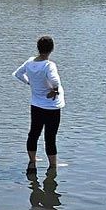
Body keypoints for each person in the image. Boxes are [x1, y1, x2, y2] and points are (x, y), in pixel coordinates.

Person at [13, 35, 64, 170]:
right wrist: (55, 90)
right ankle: (53, 165)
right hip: (52, 107)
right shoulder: (49, 65)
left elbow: (18, 74)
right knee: (50, 137)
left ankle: (33, 160)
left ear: (38, 48)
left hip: (36, 105)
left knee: (33, 133)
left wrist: (29, 82)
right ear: (51, 49)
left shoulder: (30, 62)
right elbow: (55, 81)